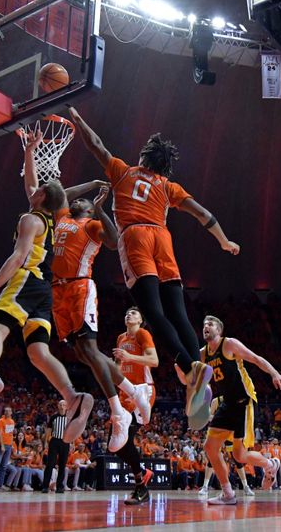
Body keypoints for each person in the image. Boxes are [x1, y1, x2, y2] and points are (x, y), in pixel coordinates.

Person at [68, 107, 240, 428]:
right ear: (166, 165)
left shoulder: (122, 171)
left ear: (145, 156)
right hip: (163, 238)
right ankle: (197, 370)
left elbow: (96, 144)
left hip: (136, 238)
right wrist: (224, 240)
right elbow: (202, 213)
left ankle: (190, 368)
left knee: (153, 312)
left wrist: (78, 119)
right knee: (179, 313)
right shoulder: (167, 187)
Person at [0, 130, 93, 444]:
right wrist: (30, 151)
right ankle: (72, 396)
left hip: (25, 281)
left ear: (42, 198)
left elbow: (17, 258)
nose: (33, 188)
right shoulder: (52, 220)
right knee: (39, 353)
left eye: (39, 189)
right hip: (45, 292)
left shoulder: (31, 220)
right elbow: (31, 182)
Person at [48, 168, 151, 452]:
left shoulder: (91, 226)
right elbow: (59, 195)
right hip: (58, 291)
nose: (80, 203)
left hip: (80, 288)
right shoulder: (64, 217)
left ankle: (119, 411)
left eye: (88, 203)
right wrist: (92, 183)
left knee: (91, 352)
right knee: (82, 354)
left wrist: (101, 207)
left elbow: (114, 237)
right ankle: (133, 390)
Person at [179, 315, 281, 505]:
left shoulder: (228, 344)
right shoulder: (203, 354)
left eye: (210, 324)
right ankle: (232, 491)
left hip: (243, 400)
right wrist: (180, 368)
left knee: (235, 453)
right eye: (204, 324)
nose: (206, 326)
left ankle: (268, 466)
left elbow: (255, 358)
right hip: (227, 402)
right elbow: (190, 380)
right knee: (219, 450)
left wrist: (274, 373)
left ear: (219, 330)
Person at [112, 306, 157, 504]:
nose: (128, 314)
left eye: (134, 313)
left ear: (140, 320)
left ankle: (141, 486)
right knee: (114, 446)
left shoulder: (142, 333)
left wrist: (129, 357)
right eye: (127, 312)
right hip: (125, 392)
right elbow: (118, 368)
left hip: (142, 391)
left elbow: (154, 360)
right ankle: (143, 474)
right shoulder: (121, 338)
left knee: (126, 438)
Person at [43, 400, 69, 493]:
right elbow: (49, 430)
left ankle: (60, 487)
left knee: (62, 465)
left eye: (64, 404)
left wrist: (73, 443)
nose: (62, 406)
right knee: (50, 464)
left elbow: (72, 431)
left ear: (66, 406)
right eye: (60, 404)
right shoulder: (53, 417)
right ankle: (45, 486)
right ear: (58, 406)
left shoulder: (69, 418)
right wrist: (46, 442)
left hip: (65, 442)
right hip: (54, 441)